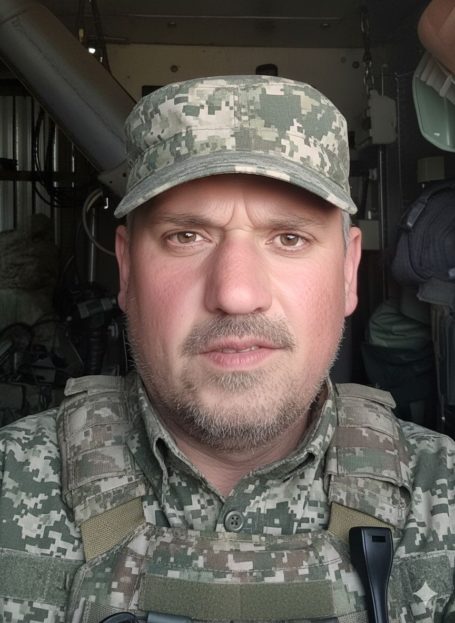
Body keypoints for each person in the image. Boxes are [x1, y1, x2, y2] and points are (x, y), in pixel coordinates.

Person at [0, 75, 453, 623]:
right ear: (126, 269)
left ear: (348, 271)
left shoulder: (442, 496)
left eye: (289, 238)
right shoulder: (11, 480)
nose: (236, 294)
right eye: (186, 236)